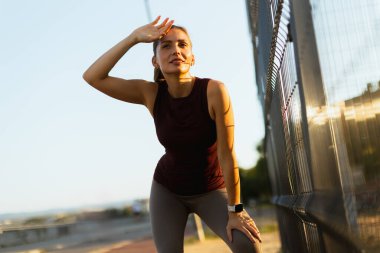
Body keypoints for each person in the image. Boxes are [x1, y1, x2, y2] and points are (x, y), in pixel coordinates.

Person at [83, 16, 262, 253]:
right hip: (168, 190)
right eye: (165, 46)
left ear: (192, 57)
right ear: (155, 61)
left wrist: (235, 211)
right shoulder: (150, 93)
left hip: (210, 188)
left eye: (182, 44)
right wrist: (133, 38)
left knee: (248, 246)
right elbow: (93, 77)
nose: (175, 50)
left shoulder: (214, 91)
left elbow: (227, 154)